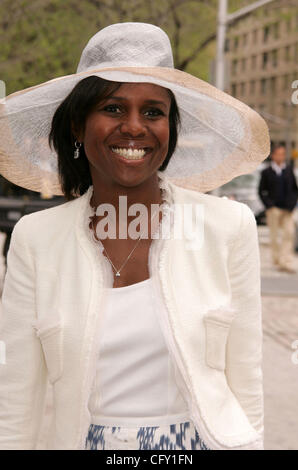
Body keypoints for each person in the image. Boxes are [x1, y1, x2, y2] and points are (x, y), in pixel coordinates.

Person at [0, 22, 270, 450]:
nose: (134, 127)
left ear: (170, 128)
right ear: (77, 123)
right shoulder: (36, 239)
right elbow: (15, 401)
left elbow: (246, 379)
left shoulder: (227, 227)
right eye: (112, 108)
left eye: (152, 112)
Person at [258, 144, 298, 273]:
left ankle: (285, 260)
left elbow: (295, 189)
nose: (281, 156)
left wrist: (291, 204)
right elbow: (261, 191)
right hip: (273, 209)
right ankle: (276, 260)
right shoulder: (266, 172)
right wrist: (269, 206)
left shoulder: (289, 170)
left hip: (288, 209)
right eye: (278, 154)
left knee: (289, 233)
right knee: (275, 236)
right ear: (273, 155)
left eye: (283, 154)